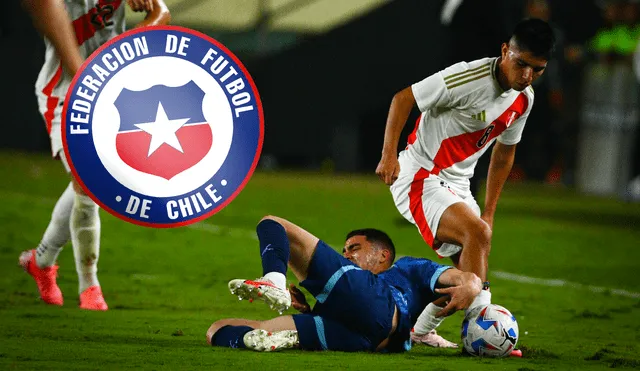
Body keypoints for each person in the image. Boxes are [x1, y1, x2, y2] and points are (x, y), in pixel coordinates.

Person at [375, 18, 555, 345]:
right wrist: (388, 155)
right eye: (521, 64)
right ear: (505, 51)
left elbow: (504, 154)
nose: (527, 76)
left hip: (457, 185)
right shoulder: (467, 77)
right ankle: (480, 333)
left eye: (537, 69)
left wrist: (489, 210)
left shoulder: (523, 99)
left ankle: (422, 330)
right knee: (476, 237)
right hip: (420, 175)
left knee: (466, 276)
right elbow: (403, 99)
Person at [18, 0, 171, 310]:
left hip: (112, 92)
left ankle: (42, 260)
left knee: (88, 183)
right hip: (63, 91)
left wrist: (133, 45)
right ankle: (90, 284)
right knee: (88, 179)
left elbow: (161, 13)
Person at [206, 215, 486, 352]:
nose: (345, 255)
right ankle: (249, 340)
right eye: (345, 250)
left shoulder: (408, 268)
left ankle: (273, 280)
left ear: (383, 255)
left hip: (378, 305)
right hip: (360, 340)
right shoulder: (346, 289)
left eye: (354, 248)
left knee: (271, 223)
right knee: (216, 330)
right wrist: (308, 311)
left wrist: (472, 286)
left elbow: (466, 278)